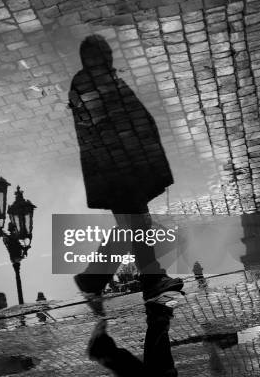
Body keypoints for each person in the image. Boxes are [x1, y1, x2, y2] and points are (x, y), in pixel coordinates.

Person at [69, 34, 184, 376]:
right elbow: (106, 124)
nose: (107, 56)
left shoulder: (94, 81)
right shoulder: (90, 83)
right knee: (136, 224)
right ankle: (147, 280)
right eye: (102, 52)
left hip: (121, 167)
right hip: (117, 168)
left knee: (134, 225)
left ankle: (97, 280)